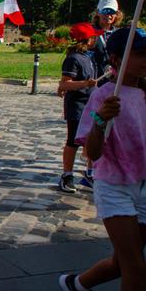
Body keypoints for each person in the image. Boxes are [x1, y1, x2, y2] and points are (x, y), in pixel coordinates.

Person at [59, 27, 146, 291]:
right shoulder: (106, 96)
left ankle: (77, 284)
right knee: (137, 270)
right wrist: (101, 120)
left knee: (123, 262)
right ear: (116, 59)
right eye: (139, 54)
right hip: (114, 186)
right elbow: (93, 153)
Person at [57, 22, 100, 194]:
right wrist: (85, 83)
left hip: (90, 105)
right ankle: (67, 175)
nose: (95, 39)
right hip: (77, 106)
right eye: (93, 37)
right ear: (87, 40)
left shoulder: (88, 57)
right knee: (73, 140)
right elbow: (65, 84)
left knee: (91, 139)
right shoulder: (73, 58)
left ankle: (89, 173)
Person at [91, 0, 122, 79]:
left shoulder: (119, 34)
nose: (108, 15)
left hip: (115, 79)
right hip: (94, 78)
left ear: (116, 14)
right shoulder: (90, 32)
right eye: (105, 11)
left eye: (112, 12)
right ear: (98, 13)